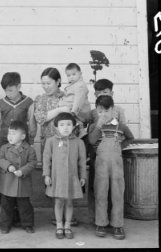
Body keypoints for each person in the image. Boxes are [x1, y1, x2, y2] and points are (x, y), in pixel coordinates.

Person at [34, 67, 79, 226]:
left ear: (58, 81)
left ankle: (68, 216)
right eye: (43, 83)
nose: (45, 86)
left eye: (49, 83)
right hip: (49, 142)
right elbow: (40, 118)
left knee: (68, 173)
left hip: (69, 142)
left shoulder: (68, 95)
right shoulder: (39, 99)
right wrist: (60, 109)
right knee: (53, 176)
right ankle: (58, 214)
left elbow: (74, 115)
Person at [88, 95, 134, 240]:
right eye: (100, 111)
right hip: (100, 165)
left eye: (106, 111)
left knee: (117, 194)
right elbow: (91, 140)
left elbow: (130, 138)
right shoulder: (95, 126)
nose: (103, 114)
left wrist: (120, 146)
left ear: (113, 110)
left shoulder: (121, 126)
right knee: (100, 193)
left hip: (117, 167)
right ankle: (101, 223)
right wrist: (99, 125)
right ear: (96, 111)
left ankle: (118, 225)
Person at [87, 78, 127, 223]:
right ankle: (96, 218)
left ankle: (114, 219)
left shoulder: (119, 111)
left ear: (112, 92)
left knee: (115, 188)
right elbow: (90, 132)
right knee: (96, 187)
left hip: (114, 154)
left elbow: (124, 131)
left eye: (105, 92)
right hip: (97, 154)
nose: (102, 95)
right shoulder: (93, 112)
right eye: (98, 94)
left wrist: (118, 147)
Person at [43, 112, 86, 239]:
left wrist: (83, 176)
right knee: (58, 202)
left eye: (68, 124)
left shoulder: (79, 143)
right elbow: (46, 159)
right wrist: (46, 175)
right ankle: (59, 225)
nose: (65, 127)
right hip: (57, 178)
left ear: (74, 126)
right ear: (56, 127)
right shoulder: (51, 141)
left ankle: (67, 225)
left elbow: (82, 161)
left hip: (72, 178)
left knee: (69, 202)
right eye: (62, 125)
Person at [0, 120, 37, 234]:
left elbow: (32, 163)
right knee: (6, 205)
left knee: (24, 205)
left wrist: (22, 171)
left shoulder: (30, 149)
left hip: (22, 181)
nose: (10, 136)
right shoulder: (4, 148)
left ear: (23, 136)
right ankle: (5, 225)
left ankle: (28, 224)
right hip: (7, 182)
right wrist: (8, 166)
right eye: (9, 133)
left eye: (14, 133)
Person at [0, 72, 37, 149]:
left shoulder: (29, 102)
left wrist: (31, 141)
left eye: (10, 90)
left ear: (19, 86)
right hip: (4, 142)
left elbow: (32, 124)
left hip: (23, 142)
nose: (8, 93)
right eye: (5, 90)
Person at [58, 63, 91, 138]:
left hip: (77, 112)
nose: (71, 77)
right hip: (71, 110)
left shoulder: (80, 85)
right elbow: (70, 95)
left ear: (80, 73)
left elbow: (78, 100)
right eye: (69, 75)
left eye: (74, 74)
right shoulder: (73, 84)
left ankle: (81, 134)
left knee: (78, 125)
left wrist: (73, 112)